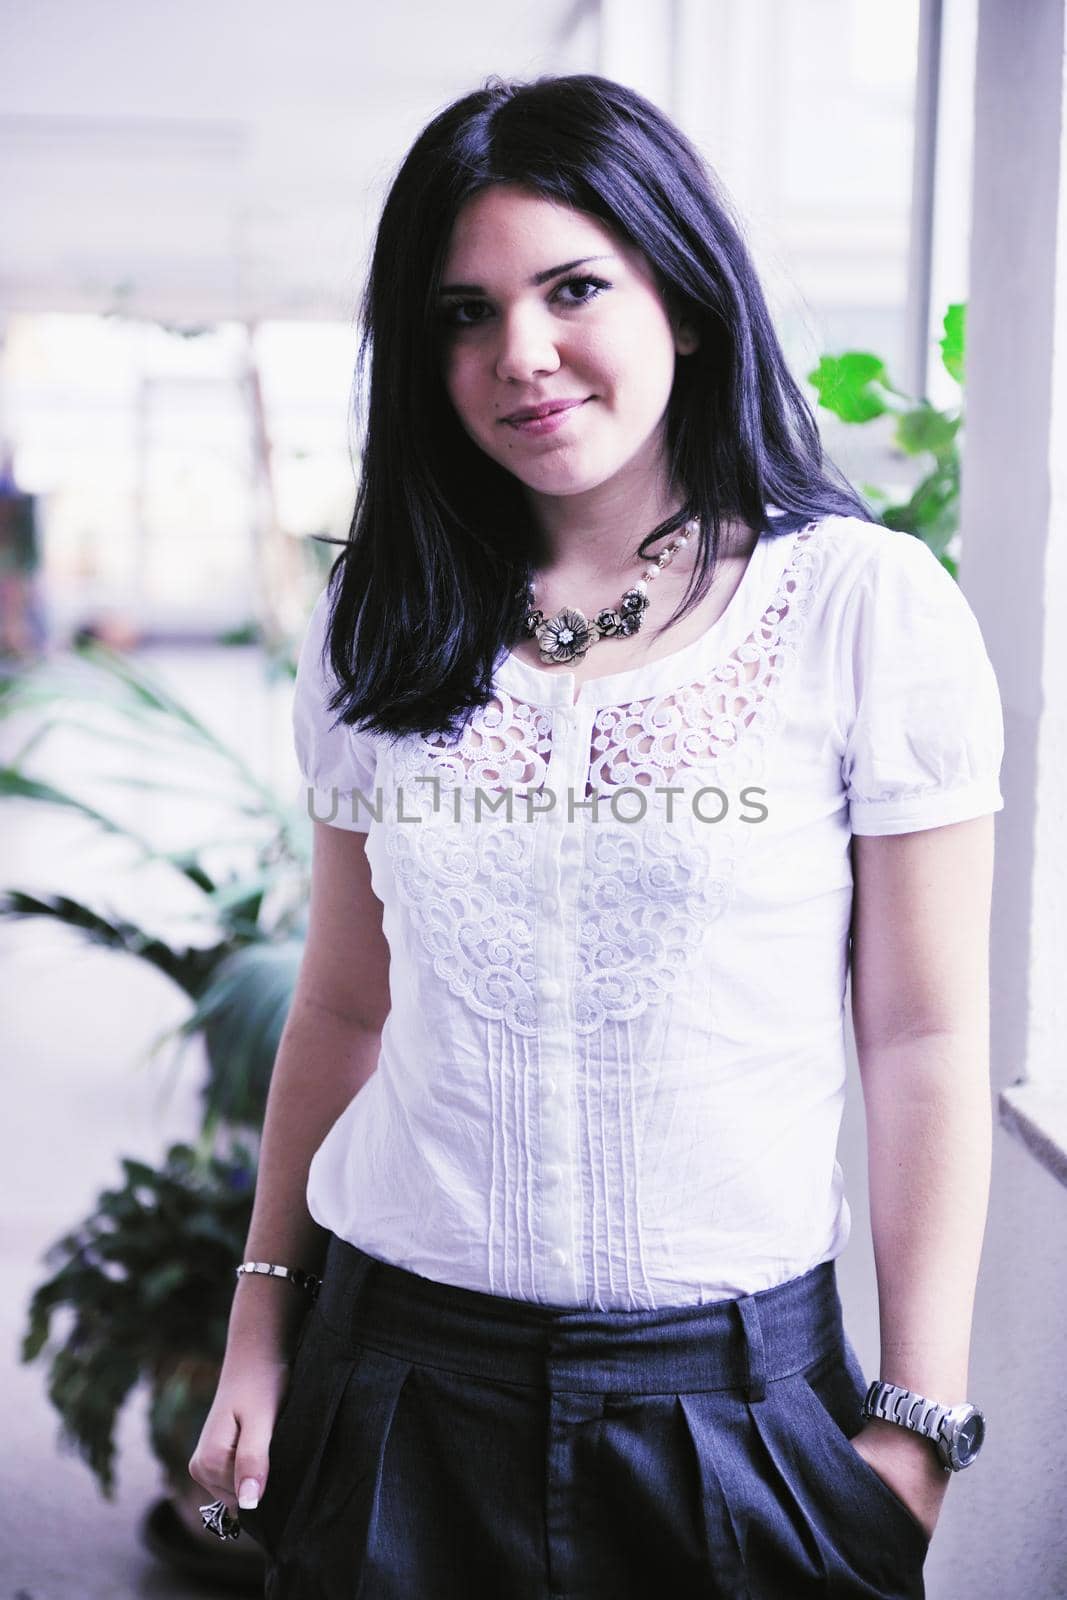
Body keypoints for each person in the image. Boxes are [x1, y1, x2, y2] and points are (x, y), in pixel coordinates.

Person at [189, 72, 1004, 1600]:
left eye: (574, 289)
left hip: (739, 1409)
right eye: (462, 314)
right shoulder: (381, 624)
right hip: (400, 1389)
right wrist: (259, 1334)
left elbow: (922, 1033)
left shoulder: (861, 610)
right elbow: (347, 1003)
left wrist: (912, 1430)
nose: (524, 355)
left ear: (682, 301)